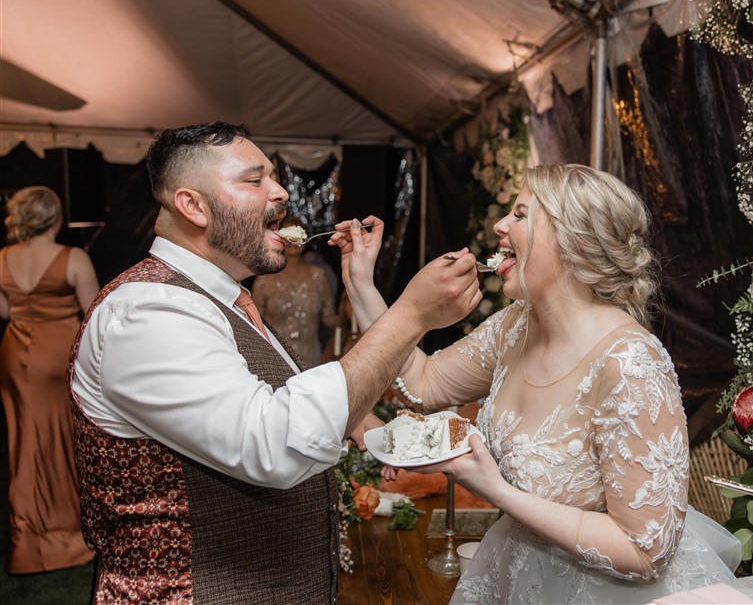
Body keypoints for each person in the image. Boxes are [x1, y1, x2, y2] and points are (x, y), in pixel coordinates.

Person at [69, 121, 481, 603]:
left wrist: (354, 419)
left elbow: (265, 396)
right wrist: (411, 315)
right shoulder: (147, 312)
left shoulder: (218, 298)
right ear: (193, 205)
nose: (282, 191)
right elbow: (274, 445)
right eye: (254, 179)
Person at [334, 163, 740, 604]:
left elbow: (646, 551)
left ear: (572, 242)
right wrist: (360, 283)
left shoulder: (630, 364)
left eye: (521, 214)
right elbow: (423, 383)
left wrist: (495, 491)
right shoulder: (515, 325)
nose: (499, 225)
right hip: (517, 576)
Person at [0, 185, 98, 574]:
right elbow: (93, 314)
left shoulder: (3, 257)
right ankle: (66, 535)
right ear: (55, 217)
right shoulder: (73, 257)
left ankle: (27, 536)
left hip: (14, 353)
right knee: (63, 439)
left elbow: (6, 309)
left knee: (23, 442)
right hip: (59, 355)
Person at [252, 214, 339, 368]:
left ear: (304, 240)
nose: (292, 243)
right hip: (275, 359)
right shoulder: (265, 278)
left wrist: (347, 321)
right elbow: (254, 323)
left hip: (311, 359)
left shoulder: (318, 275)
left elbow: (329, 318)